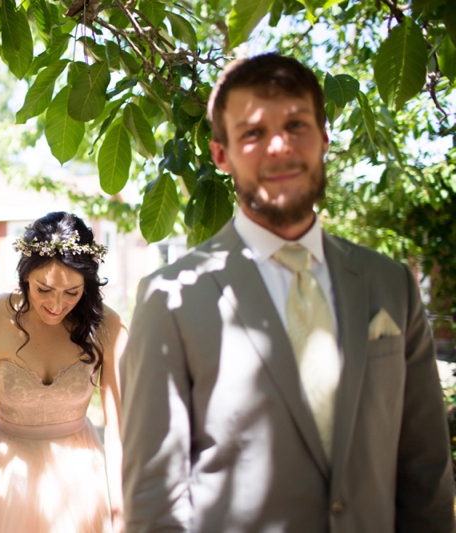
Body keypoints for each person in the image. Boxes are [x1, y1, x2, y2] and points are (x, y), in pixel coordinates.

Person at [120, 53, 454, 532]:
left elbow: (425, 472)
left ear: (323, 137)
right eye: (253, 133)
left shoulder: (391, 285)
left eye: (296, 125)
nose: (278, 146)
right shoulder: (169, 299)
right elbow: (156, 501)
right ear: (222, 154)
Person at [0, 211, 127, 533]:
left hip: (81, 483)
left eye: (72, 292)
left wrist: (121, 515)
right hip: (5, 479)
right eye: (44, 289)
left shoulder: (109, 328)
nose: (56, 304)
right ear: (25, 274)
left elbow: (120, 435)